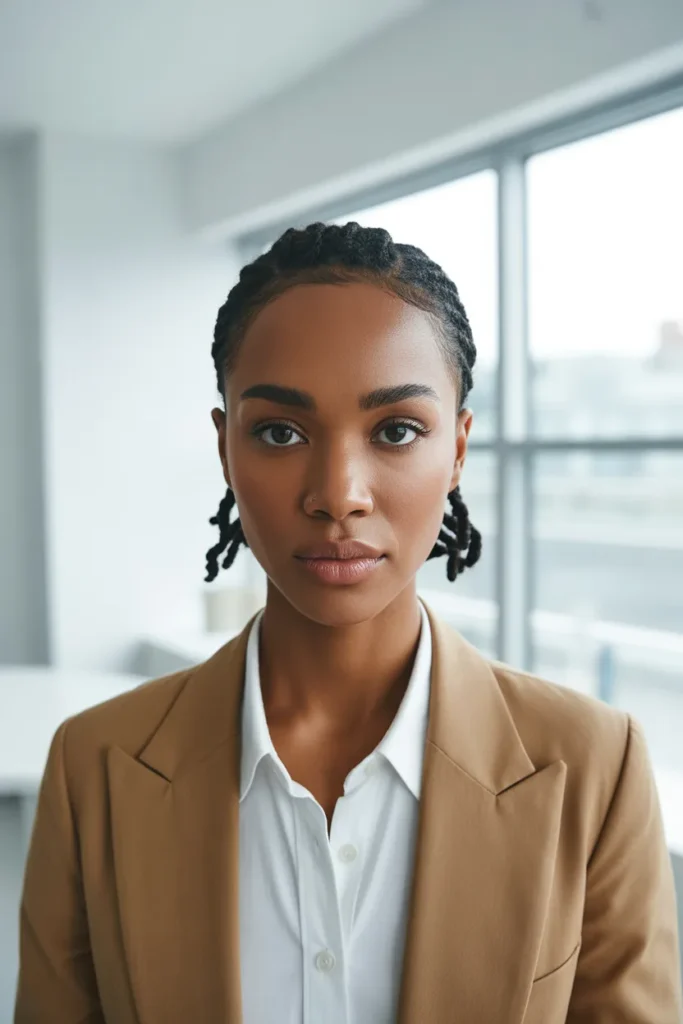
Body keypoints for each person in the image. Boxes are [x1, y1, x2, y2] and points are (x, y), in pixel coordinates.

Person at [14, 222, 682, 1023]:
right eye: (280, 432)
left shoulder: (593, 767)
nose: (338, 494)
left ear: (457, 449)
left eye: (395, 430)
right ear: (226, 450)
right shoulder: (93, 767)